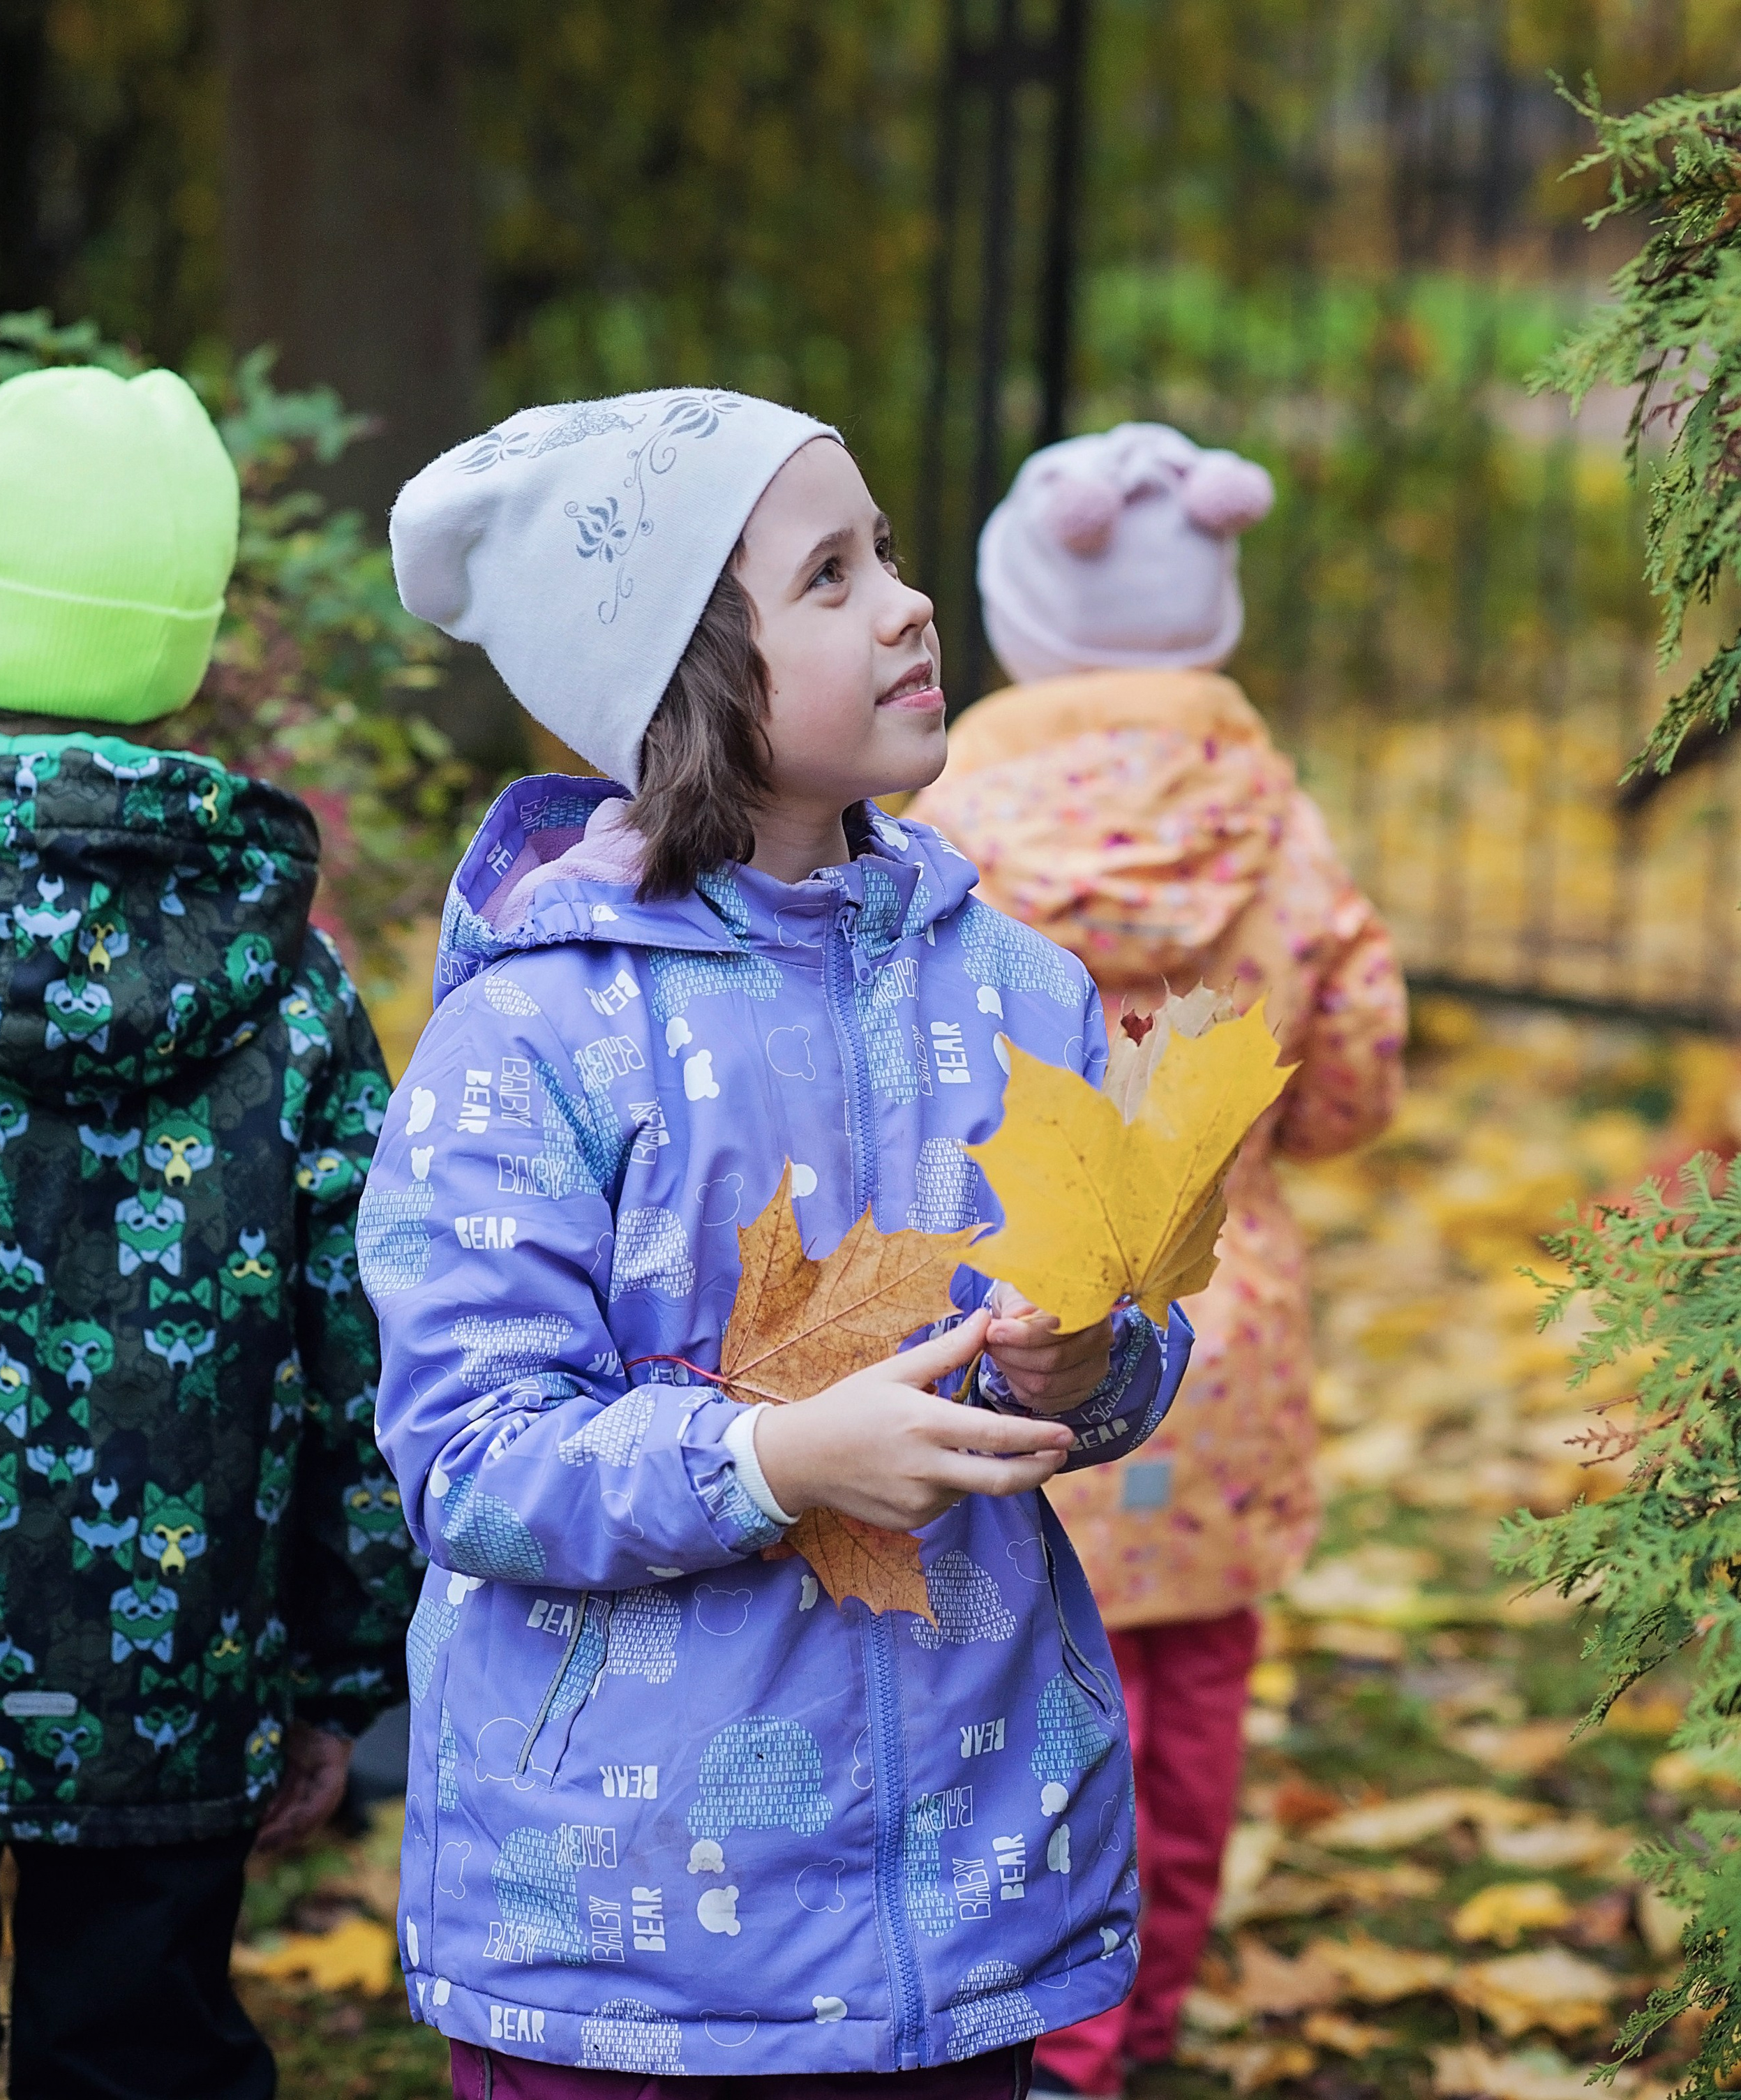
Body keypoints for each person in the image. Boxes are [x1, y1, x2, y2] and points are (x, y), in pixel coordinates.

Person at [368, 388, 1195, 2098]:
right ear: (683, 676)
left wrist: (1095, 1360)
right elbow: (468, 1458)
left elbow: (1126, 1340)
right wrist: (776, 1457)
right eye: (830, 575)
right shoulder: (537, 1033)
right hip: (628, 1927)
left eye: (886, 549)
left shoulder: (1018, 988)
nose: (906, 598)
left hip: (955, 1905)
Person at [911, 421, 1407, 2098]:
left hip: (1005, 1335)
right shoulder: (1280, 820)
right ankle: (1134, 2016)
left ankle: (1027, 2023)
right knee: (1183, 1703)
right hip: (1215, 1337)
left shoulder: (939, 818)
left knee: (1000, 1698)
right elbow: (1342, 1076)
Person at [0, 364, 413, 2100]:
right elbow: (361, 1335)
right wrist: (338, 1674)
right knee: (142, 2058)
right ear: (194, 646)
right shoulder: (279, 978)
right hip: (179, 1667)